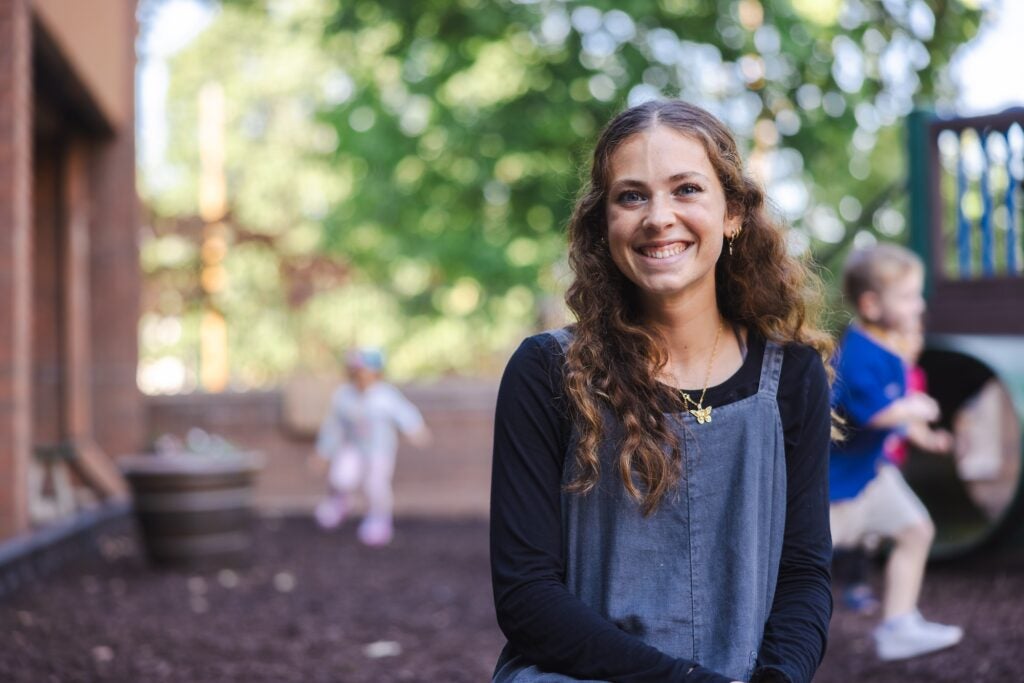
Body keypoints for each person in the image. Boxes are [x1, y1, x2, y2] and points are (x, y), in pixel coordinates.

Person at [490, 100, 833, 683]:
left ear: (734, 214)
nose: (658, 217)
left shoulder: (793, 375)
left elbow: (803, 572)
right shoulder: (547, 371)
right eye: (631, 196)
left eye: (686, 189)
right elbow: (527, 596)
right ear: (604, 223)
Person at [829, 244, 962, 661]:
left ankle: (898, 626)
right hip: (837, 486)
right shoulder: (858, 354)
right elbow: (875, 414)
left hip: (872, 473)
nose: (918, 303)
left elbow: (897, 406)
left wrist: (922, 434)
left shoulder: (889, 344)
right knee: (799, 561)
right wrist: (915, 408)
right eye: (907, 296)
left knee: (915, 530)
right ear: (870, 304)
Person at [311, 348, 430, 546]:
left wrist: (415, 428)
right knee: (341, 476)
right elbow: (333, 426)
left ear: (377, 374)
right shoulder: (343, 396)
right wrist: (323, 452)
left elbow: (404, 413)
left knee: (376, 486)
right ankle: (339, 503)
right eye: (357, 373)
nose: (361, 378)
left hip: (379, 452)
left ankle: (378, 520)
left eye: (366, 373)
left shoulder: (385, 396)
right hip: (353, 447)